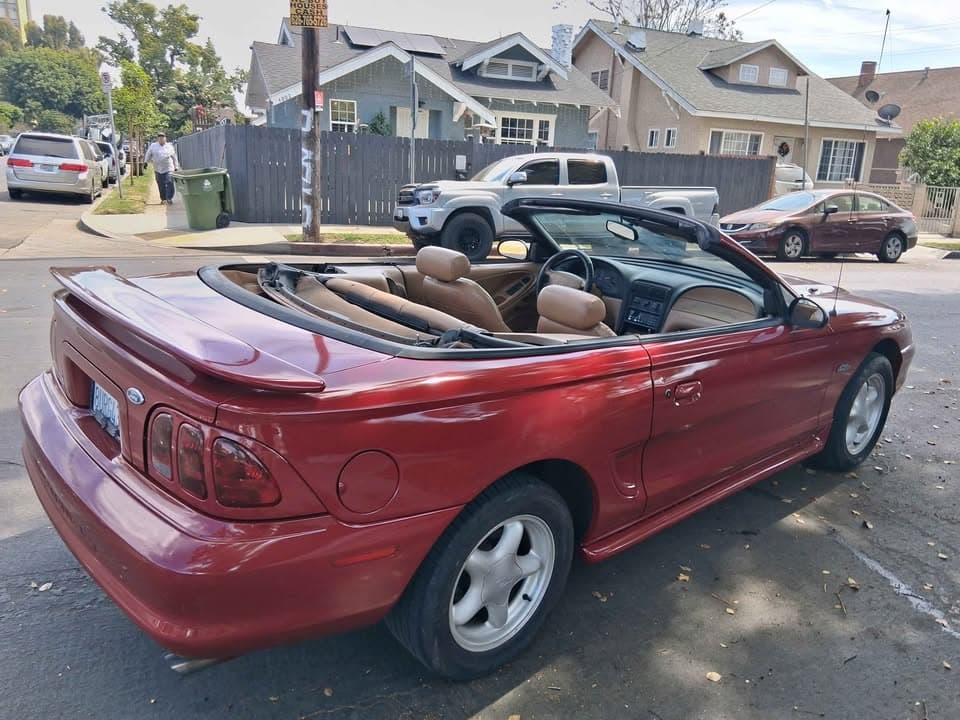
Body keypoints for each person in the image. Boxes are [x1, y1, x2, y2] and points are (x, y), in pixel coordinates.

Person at [144, 132, 179, 205]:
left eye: (163, 137)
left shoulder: (169, 146)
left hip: (168, 168)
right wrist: (145, 162)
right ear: (157, 139)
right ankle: (163, 199)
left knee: (169, 182)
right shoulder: (153, 146)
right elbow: (148, 154)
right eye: (159, 137)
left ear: (165, 138)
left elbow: (174, 157)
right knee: (161, 184)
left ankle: (169, 198)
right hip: (158, 169)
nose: (161, 139)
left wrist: (176, 167)